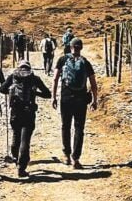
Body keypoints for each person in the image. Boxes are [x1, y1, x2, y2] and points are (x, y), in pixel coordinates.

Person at [52, 37, 98, 169]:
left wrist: (54, 96)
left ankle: (66, 155)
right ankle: (75, 159)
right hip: (81, 99)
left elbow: (55, 79)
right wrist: (94, 100)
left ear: (70, 47)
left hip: (66, 98)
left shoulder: (62, 60)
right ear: (81, 48)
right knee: (79, 128)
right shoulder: (85, 62)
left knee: (65, 126)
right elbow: (93, 84)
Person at [0, 60, 51, 178]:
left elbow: (2, 89)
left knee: (16, 135)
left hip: (15, 111)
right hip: (29, 111)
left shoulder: (13, 76)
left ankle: (16, 158)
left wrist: (11, 92)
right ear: (29, 67)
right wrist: (35, 93)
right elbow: (48, 94)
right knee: (25, 139)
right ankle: (21, 168)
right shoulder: (34, 78)